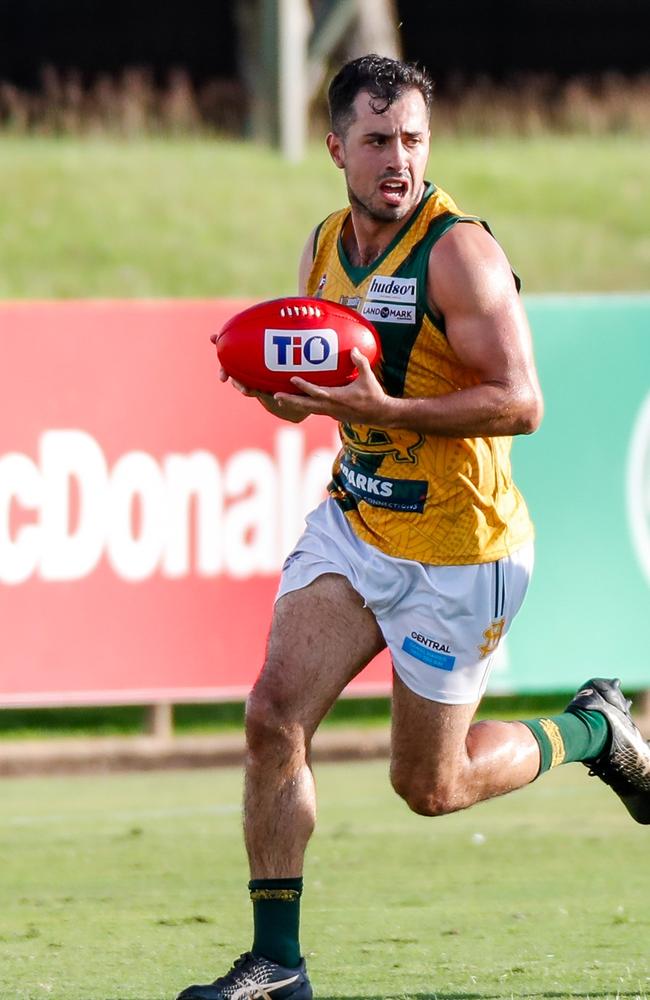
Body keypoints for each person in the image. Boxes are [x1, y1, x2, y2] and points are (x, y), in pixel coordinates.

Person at [177, 54, 650, 1000]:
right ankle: (278, 965)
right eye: (379, 141)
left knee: (431, 789)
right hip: (358, 522)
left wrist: (384, 409)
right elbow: (326, 398)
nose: (399, 159)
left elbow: (522, 404)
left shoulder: (458, 252)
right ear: (335, 149)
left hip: (458, 552)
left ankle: (592, 732)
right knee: (273, 717)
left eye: (414, 140)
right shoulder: (322, 243)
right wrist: (282, 397)